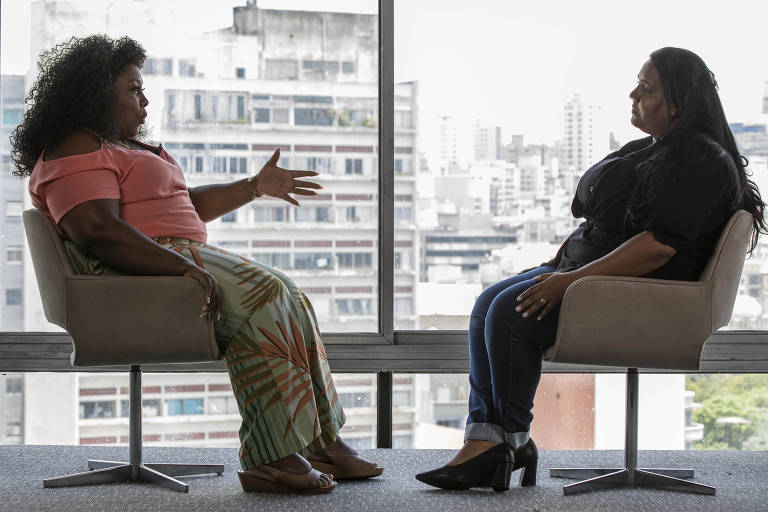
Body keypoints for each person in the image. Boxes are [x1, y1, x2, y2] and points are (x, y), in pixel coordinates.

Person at [10, 35, 383, 495]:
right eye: (132, 88)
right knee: (264, 296)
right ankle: (270, 458)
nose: (145, 100)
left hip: (165, 261)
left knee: (290, 294)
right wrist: (182, 267)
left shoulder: (123, 146)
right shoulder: (75, 144)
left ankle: (318, 441)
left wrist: (254, 187)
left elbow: (183, 206)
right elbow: (97, 231)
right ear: (94, 92)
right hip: (128, 278)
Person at [415, 47, 767, 492]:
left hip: (637, 296)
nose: (633, 93)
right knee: (488, 303)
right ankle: (500, 440)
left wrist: (570, 281)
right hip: (595, 277)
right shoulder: (654, 149)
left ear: (677, 102)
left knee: (510, 314)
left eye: (647, 87)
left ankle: (500, 444)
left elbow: (659, 247)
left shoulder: (700, 158)